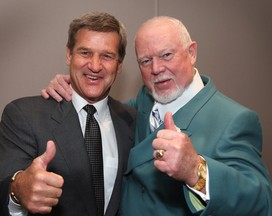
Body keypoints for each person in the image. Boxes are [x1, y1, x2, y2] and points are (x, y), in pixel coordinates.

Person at [40, 16, 272, 215]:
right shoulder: (139, 104)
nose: (156, 69)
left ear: (192, 53)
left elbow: (262, 203)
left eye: (167, 55)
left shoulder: (234, 119)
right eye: (146, 61)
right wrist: (73, 87)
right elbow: (101, 113)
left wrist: (196, 170)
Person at [0, 12, 136, 216]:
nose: (95, 65)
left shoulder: (132, 119)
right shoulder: (25, 115)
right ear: (69, 54)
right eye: (85, 53)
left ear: (119, 65)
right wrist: (17, 189)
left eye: (107, 56)